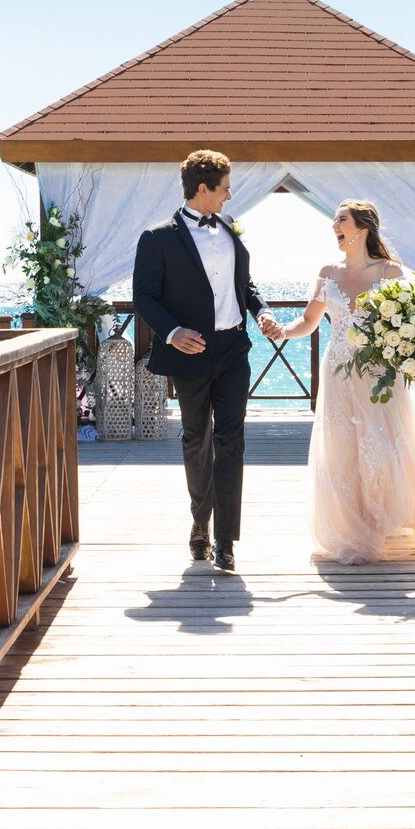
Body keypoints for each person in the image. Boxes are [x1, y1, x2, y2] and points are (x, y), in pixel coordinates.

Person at [272, 200, 415, 565]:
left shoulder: (389, 272)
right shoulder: (327, 272)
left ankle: (384, 520)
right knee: (343, 449)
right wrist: (283, 332)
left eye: (341, 220)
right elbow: (309, 321)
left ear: (361, 229)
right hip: (337, 371)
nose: (335, 225)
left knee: (383, 445)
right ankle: (354, 529)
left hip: (379, 374)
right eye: (334, 220)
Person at [131, 150, 283, 572]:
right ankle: (200, 522)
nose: (230, 195)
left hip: (234, 350)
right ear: (203, 189)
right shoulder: (157, 238)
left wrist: (262, 310)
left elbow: (244, 284)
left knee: (231, 441)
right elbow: (144, 296)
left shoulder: (230, 230)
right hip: (190, 351)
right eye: (225, 188)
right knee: (196, 439)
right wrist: (172, 332)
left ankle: (226, 540)